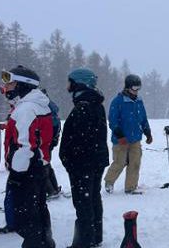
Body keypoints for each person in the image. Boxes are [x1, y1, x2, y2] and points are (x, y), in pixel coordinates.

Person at [1, 65, 56, 248]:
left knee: (26, 217)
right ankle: (44, 242)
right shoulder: (35, 105)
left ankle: (37, 244)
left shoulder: (26, 109)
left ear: (23, 85)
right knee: (38, 210)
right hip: (38, 167)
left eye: (11, 84)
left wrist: (17, 174)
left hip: (27, 170)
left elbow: (25, 146)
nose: (6, 88)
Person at [60, 68, 109, 248]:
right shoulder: (94, 104)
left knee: (84, 202)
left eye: (70, 82)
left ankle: (84, 241)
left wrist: (69, 159)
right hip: (93, 161)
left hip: (84, 163)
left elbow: (77, 139)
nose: (68, 86)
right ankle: (94, 237)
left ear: (79, 83)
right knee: (92, 198)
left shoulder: (84, 107)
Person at [104, 74, 152, 194]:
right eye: (134, 88)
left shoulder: (139, 101)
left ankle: (130, 187)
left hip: (135, 139)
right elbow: (113, 121)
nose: (136, 91)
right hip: (121, 140)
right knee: (120, 163)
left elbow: (143, 118)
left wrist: (148, 132)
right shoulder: (118, 101)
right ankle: (109, 182)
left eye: (138, 88)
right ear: (127, 87)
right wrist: (120, 136)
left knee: (135, 163)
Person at [41, 89, 62, 199]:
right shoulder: (51, 106)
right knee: (47, 163)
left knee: (42, 164)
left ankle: (49, 190)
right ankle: (53, 187)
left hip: (44, 140)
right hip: (51, 139)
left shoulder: (43, 107)